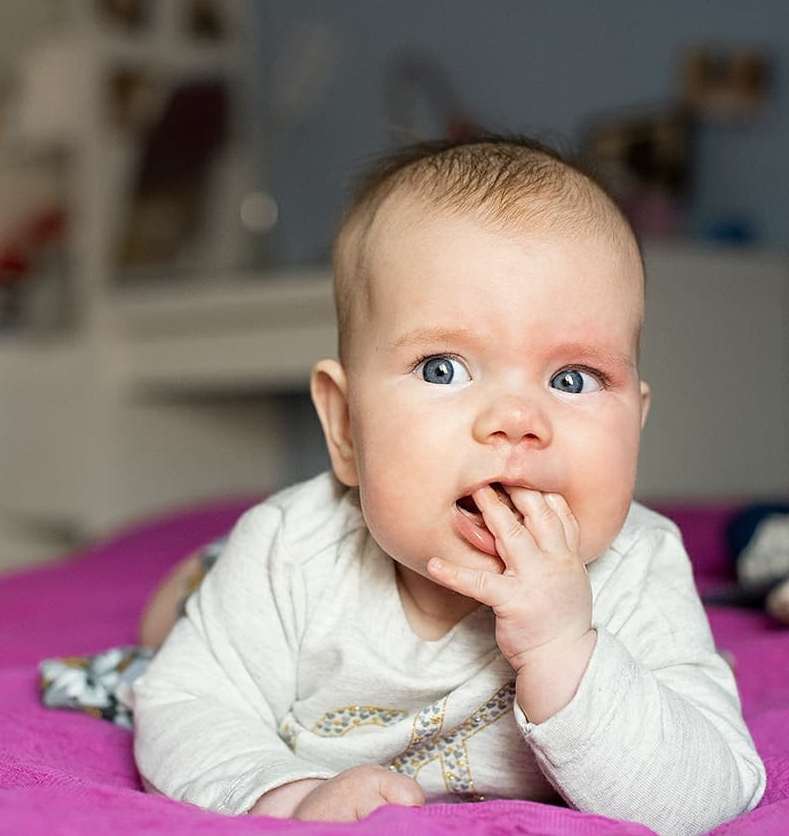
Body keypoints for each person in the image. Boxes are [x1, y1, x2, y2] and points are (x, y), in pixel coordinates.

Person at [132, 136, 766, 835]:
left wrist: (567, 650)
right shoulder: (290, 552)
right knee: (175, 631)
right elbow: (186, 704)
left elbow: (713, 789)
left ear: (636, 424)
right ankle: (196, 582)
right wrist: (286, 794)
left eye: (572, 379)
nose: (517, 422)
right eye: (443, 368)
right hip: (256, 579)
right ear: (345, 426)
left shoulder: (638, 567)